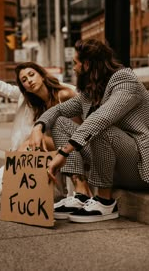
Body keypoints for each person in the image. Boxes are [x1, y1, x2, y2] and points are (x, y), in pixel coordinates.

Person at [28, 38, 149, 223]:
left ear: (87, 64)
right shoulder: (90, 93)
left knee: (101, 129)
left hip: (138, 164)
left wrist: (63, 152)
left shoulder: (126, 82)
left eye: (76, 63)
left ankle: (105, 202)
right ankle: (81, 194)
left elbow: (102, 118)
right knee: (60, 122)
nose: (74, 68)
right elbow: (59, 110)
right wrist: (39, 127)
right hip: (112, 164)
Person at [0, 52, 82, 212]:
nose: (29, 80)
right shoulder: (29, 100)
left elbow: (81, 127)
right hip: (54, 152)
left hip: (74, 148)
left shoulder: (65, 93)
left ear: (41, 75)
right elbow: (1, 87)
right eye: (24, 80)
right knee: (31, 143)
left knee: (30, 143)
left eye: (32, 75)